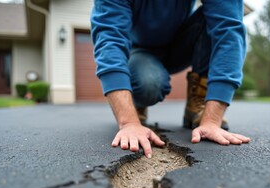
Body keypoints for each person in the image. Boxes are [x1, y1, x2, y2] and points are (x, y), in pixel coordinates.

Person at [91, 0, 251, 159]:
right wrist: (128, 122)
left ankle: (199, 105)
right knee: (148, 84)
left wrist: (212, 121)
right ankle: (136, 103)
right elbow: (109, 39)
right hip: (140, 50)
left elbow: (229, 31)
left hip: (181, 43)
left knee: (213, 20)